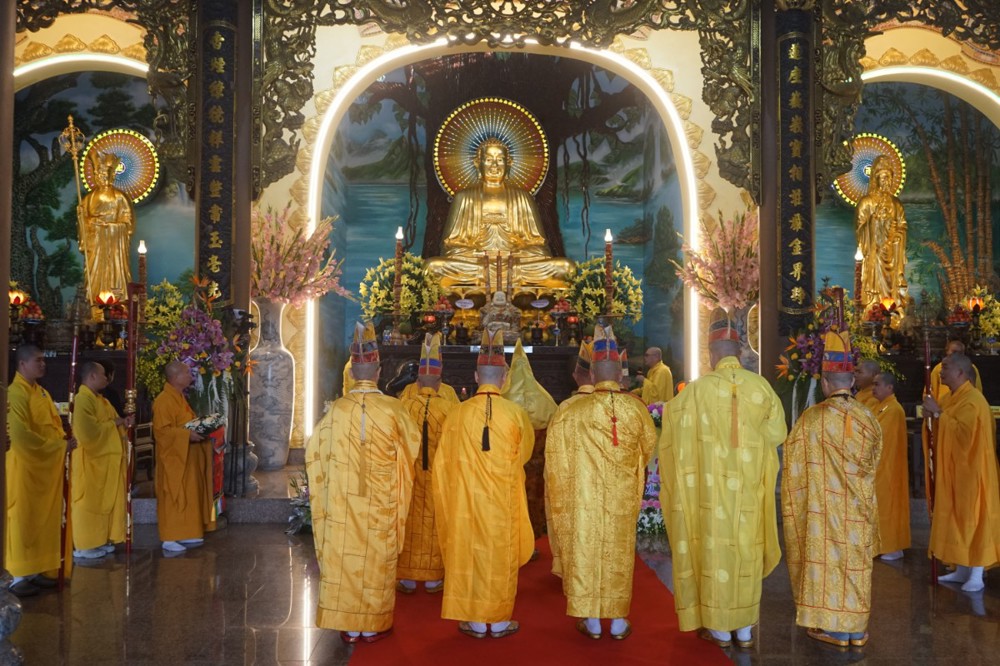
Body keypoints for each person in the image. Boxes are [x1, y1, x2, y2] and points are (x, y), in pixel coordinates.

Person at [659, 311, 787, 649]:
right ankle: (744, 629)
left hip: (710, 494)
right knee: (745, 552)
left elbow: (671, 426)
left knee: (715, 552)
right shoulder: (761, 387)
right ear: (740, 351)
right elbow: (778, 433)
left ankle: (718, 628)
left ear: (711, 354)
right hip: (747, 492)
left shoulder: (695, 393)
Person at [306, 322, 420, 644]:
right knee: (376, 557)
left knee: (345, 555)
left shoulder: (338, 410)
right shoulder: (394, 409)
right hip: (381, 499)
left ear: (352, 372)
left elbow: (315, 452)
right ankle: (372, 624)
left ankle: (349, 624)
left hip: (344, 500)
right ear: (379, 372)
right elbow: (412, 447)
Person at [546, 325, 656, 640]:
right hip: (620, 498)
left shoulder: (570, 411)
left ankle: (592, 621)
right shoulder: (636, 409)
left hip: (583, 497)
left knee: (586, 550)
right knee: (618, 553)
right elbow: (648, 449)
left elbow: (555, 457)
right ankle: (618, 621)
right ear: (620, 374)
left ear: (592, 374)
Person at [782, 329, 881, 648]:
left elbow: (793, 465)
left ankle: (836, 629)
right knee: (855, 564)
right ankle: (856, 629)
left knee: (829, 566)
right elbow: (874, 461)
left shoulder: (811, 420)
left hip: (823, 511)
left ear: (825, 383)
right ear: (851, 382)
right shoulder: (868, 418)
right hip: (857, 509)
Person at [433, 329, 534, 639]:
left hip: (466, 501)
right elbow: (525, 454)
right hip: (502, 500)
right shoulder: (516, 414)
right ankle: (499, 621)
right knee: (499, 555)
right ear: (503, 378)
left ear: (477, 376)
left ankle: (476, 622)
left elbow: (442, 463)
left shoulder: (457, 414)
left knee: (470, 553)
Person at [426, 137, 573, 289]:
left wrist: (514, 255)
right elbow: (450, 246)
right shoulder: (464, 198)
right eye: (489, 160)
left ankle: (490, 281)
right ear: (477, 163)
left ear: (509, 163)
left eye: (500, 160)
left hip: (515, 265)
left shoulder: (522, 197)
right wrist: (479, 255)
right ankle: (504, 281)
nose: (494, 166)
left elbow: (539, 246)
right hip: (476, 265)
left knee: (565, 268)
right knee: (433, 268)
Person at [921, 352, 1000, 592]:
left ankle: (977, 572)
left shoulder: (974, 401)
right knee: (955, 518)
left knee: (973, 519)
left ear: (961, 372)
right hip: (954, 470)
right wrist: (932, 418)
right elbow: (941, 428)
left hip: (973, 471)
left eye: (945, 368)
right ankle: (962, 568)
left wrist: (938, 414)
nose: (940, 372)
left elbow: (965, 437)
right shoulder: (951, 398)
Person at [5, 344, 75, 597]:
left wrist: (64, 440)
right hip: (26, 467)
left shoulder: (42, 393)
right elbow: (21, 437)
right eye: (38, 360)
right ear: (22, 364)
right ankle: (17, 575)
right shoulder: (14, 393)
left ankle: (36, 569)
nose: (43, 364)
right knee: (24, 519)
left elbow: (53, 426)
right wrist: (59, 447)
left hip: (46, 469)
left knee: (43, 520)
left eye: (44, 360)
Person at [397, 333, 456, 594]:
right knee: (435, 518)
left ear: (418, 379)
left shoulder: (406, 401)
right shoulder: (449, 402)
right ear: (440, 379)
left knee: (411, 519)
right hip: (439, 473)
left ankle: (407, 577)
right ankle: (433, 577)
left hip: (410, 474)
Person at [71, 361, 132, 559]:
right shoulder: (82, 399)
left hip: (105, 460)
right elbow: (88, 432)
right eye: (104, 374)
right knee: (88, 504)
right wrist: (116, 423)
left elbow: (114, 422)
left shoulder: (101, 400)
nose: (107, 378)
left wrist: (123, 422)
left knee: (105, 502)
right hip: (91, 461)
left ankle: (100, 540)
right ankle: (84, 545)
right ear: (92, 376)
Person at [153, 360, 214, 553]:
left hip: (187, 455)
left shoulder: (179, 397)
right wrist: (187, 435)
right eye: (187, 373)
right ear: (175, 377)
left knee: (189, 493)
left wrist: (204, 428)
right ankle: (169, 537)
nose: (190, 376)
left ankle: (186, 531)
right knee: (175, 495)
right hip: (173, 459)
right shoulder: (164, 400)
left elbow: (185, 422)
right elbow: (162, 432)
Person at [546, 339, 594, 575]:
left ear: (575, 376)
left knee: (575, 523)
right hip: (604, 483)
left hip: (573, 480)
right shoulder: (618, 407)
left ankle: (572, 566)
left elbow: (553, 451)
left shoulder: (565, 408)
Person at [78, 150, 135, 316]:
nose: (101, 176)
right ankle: (93, 306)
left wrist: (109, 227)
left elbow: (128, 224)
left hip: (114, 246)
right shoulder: (88, 199)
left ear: (112, 175)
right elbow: (83, 223)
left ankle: (118, 306)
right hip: (96, 245)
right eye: (98, 173)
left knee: (116, 276)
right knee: (93, 276)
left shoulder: (119, 197)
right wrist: (86, 220)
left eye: (105, 173)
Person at [855, 154, 906, 310]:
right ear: (875, 179)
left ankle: (894, 307)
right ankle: (874, 308)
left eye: (889, 178)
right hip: (874, 252)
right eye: (883, 178)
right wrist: (874, 221)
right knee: (875, 271)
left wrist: (897, 235)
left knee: (892, 283)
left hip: (892, 252)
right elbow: (860, 229)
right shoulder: (866, 202)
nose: (887, 182)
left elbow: (903, 225)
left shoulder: (896, 203)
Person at [871, 371, 910, 561]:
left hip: (889, 466)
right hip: (879, 465)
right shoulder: (881, 407)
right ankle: (881, 544)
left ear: (890, 387)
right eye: (873, 384)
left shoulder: (894, 409)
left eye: (877, 384)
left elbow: (879, 435)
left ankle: (893, 546)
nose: (874, 388)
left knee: (888, 506)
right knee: (879, 506)